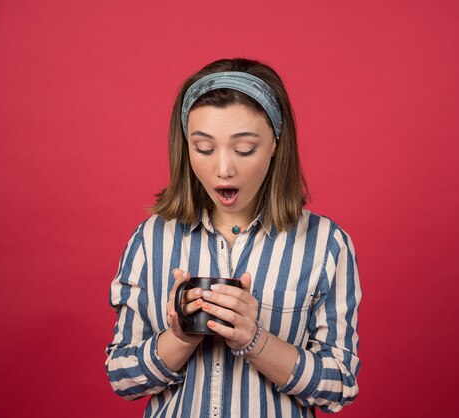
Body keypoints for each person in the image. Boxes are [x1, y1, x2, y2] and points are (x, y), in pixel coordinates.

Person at [105, 58, 361, 417]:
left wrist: (256, 341)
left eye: (244, 149)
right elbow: (122, 377)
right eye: (204, 149)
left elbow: (340, 385)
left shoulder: (326, 244)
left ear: (275, 144)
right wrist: (180, 338)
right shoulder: (151, 240)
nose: (223, 169)